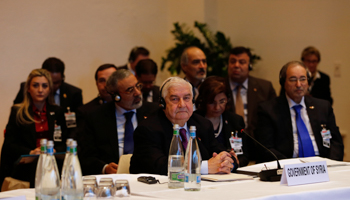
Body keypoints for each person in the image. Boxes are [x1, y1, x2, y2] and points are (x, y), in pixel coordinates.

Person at [130, 77, 236, 175]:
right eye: (175, 99)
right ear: (163, 103)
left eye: (186, 98)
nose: (182, 105)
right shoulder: (148, 130)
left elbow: (221, 152)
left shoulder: (203, 124)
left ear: (193, 101)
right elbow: (160, 167)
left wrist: (227, 161)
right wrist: (204, 167)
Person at [255, 61, 343, 163]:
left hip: (323, 165)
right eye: (293, 80)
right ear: (283, 83)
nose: (298, 84)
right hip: (289, 166)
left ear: (308, 82)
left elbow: (336, 142)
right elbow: (266, 148)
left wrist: (331, 164)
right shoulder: (268, 110)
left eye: (303, 79)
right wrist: (293, 166)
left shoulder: (323, 107)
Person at [78, 69, 158, 175]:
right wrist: (105, 168)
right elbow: (86, 156)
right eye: (130, 90)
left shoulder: (154, 112)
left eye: (138, 86)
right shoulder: (96, 117)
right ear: (116, 96)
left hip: (148, 175)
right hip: (114, 178)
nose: (137, 93)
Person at [0, 69, 68, 188]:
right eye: (35, 85)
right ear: (28, 88)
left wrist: (55, 150)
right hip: (26, 170)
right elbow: (9, 145)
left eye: (44, 86)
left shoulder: (58, 111)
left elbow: (66, 141)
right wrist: (31, 152)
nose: (40, 90)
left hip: (53, 166)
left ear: (50, 89)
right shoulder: (18, 112)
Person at [227, 47, 276, 159]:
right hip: (228, 146)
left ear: (250, 66)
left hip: (259, 146)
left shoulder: (265, 87)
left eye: (242, 62)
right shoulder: (219, 87)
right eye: (233, 61)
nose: (236, 65)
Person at [194, 76, 249, 167]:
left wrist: (235, 163)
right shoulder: (194, 121)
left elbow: (244, 156)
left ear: (227, 99)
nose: (217, 107)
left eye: (222, 101)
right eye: (212, 102)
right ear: (203, 101)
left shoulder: (235, 121)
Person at [14, 57, 83, 113]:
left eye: (56, 83)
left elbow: (79, 122)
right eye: (48, 83)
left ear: (62, 78)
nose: (51, 86)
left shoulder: (74, 93)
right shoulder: (27, 88)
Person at [73, 64, 117, 139]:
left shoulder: (129, 106)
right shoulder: (86, 111)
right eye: (102, 80)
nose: (106, 85)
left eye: (111, 80)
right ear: (96, 84)